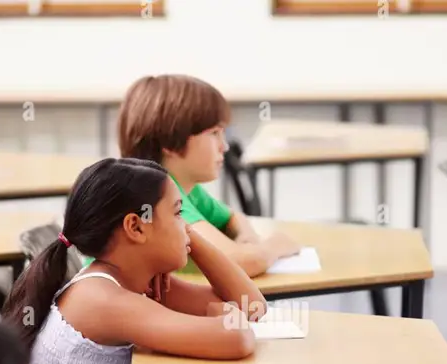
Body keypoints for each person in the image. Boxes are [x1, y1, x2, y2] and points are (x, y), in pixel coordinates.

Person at [3, 157, 319, 364]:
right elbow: (238, 339)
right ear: (136, 227)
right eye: (179, 214)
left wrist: (190, 240)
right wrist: (220, 311)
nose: (188, 227)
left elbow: (253, 308)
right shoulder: (104, 298)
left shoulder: (133, 278)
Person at [103, 74, 301, 277]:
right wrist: (273, 246)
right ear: (171, 142)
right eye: (214, 133)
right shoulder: (156, 197)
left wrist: (248, 240)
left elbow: (233, 217)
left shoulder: (183, 187)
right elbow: (239, 264)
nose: (224, 146)